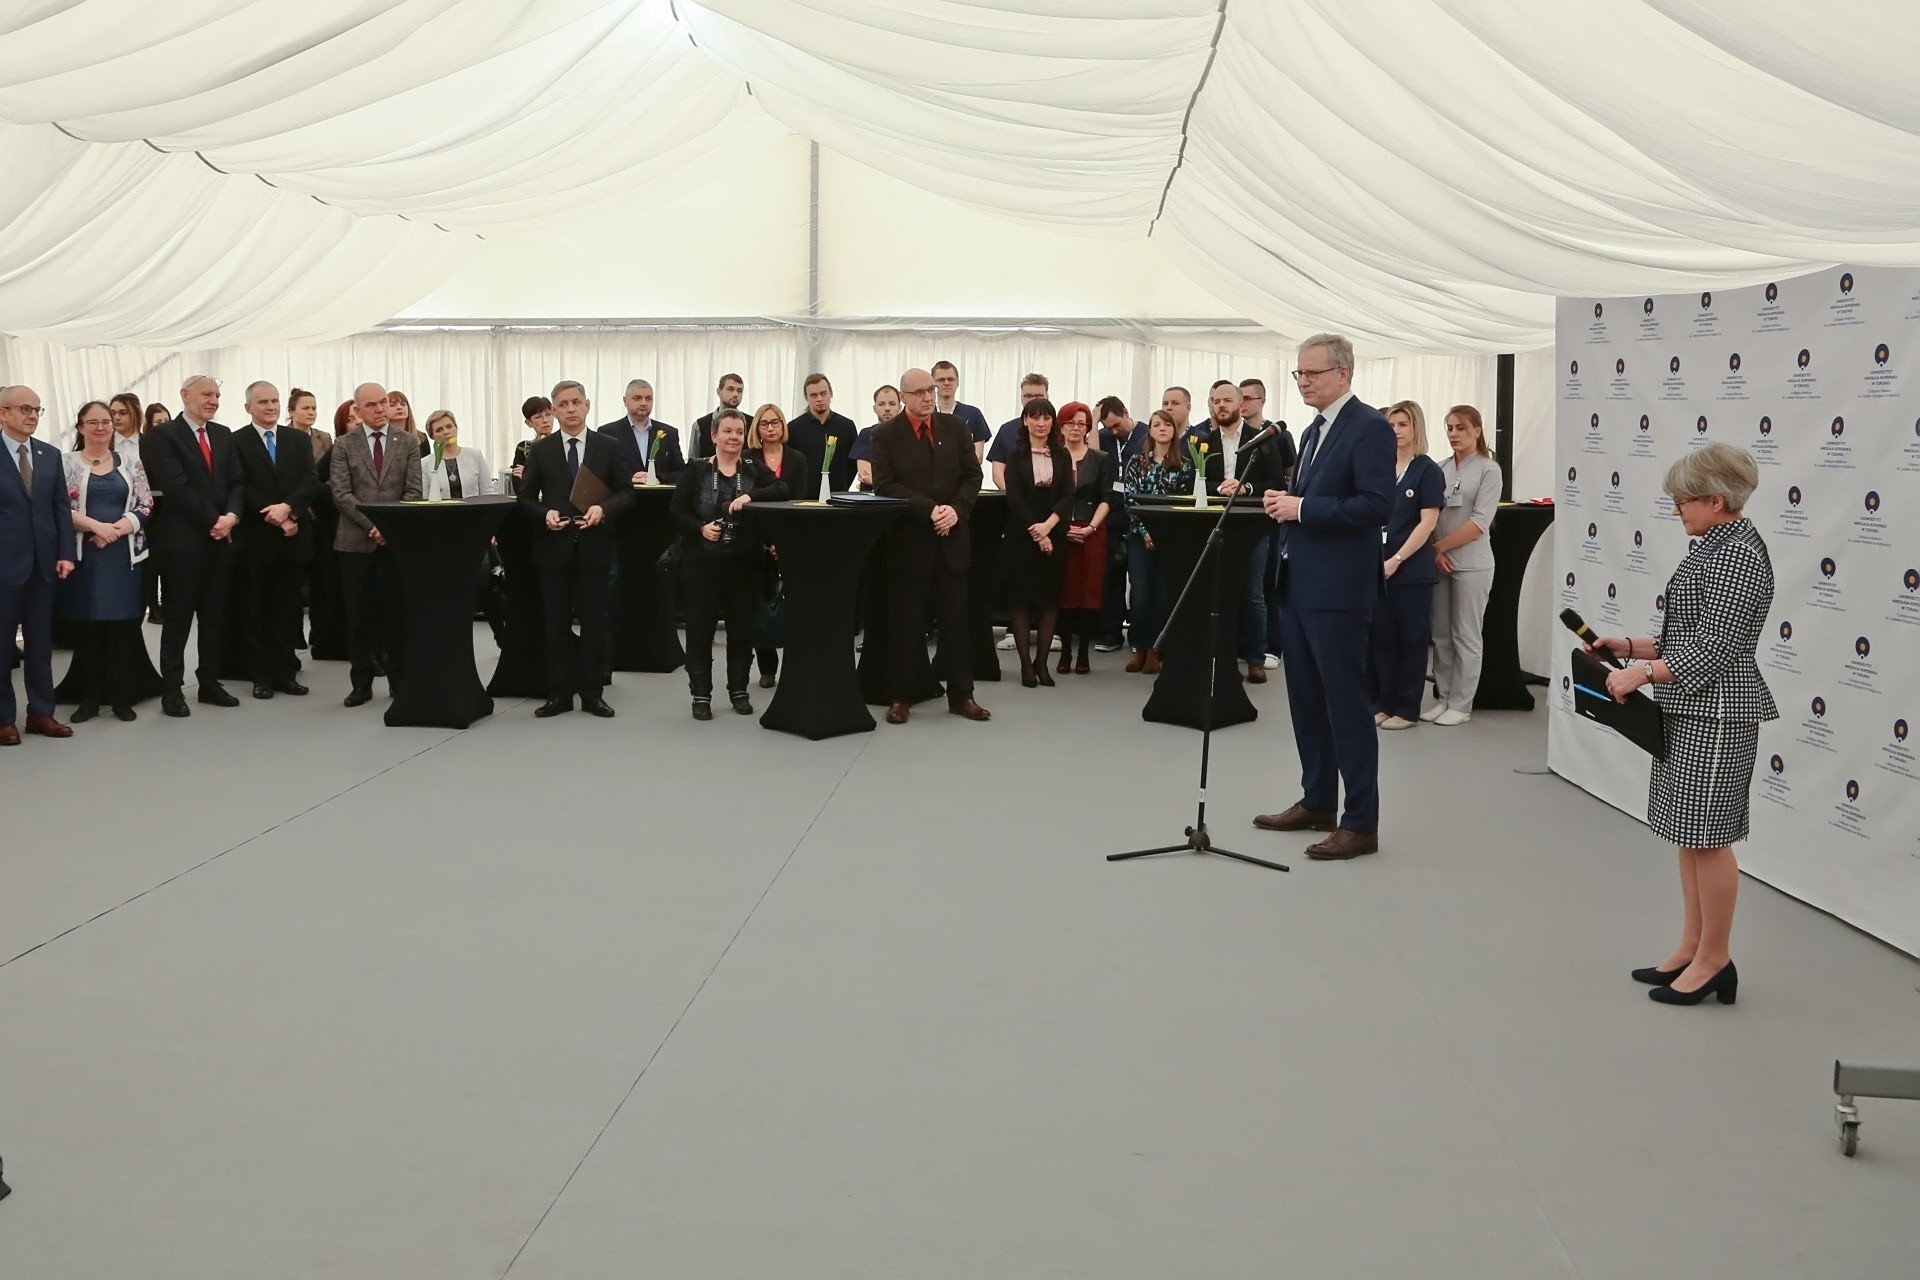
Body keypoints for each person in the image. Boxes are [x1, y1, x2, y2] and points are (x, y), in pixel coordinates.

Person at [1589, 443, 1776, 1007]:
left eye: (1683, 501)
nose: (1676, 510)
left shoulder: (1737, 555)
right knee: (1691, 835)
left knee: (1710, 840)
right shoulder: (1715, 546)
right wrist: (1627, 646)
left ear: (1716, 500)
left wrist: (1642, 672)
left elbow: (1715, 648)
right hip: (1690, 710)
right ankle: (1693, 946)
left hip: (1718, 714)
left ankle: (1716, 959)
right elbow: (1688, 635)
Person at [1255, 334, 1395, 860]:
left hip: (1339, 592)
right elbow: (1317, 498)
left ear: (1344, 373)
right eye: (1299, 373)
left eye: (1312, 373)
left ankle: (1361, 822)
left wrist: (1303, 509)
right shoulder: (1314, 429)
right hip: (1300, 584)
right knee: (1307, 702)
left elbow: (1376, 506)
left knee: (1345, 706)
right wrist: (1288, 502)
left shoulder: (1370, 427)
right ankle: (1317, 800)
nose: (1303, 382)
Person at [870, 367, 990, 724]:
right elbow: (884, 484)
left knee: (956, 623)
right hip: (910, 544)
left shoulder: (955, 427)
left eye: (930, 390)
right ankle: (901, 696)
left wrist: (956, 510)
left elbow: (973, 476)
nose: (927, 397)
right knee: (907, 623)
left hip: (952, 541)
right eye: (919, 392)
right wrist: (929, 509)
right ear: (903, 397)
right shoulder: (885, 434)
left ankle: (962, 695)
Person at [517, 379, 633, 718]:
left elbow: (627, 492)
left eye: (576, 402)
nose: (570, 409)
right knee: (555, 623)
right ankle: (559, 693)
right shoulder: (541, 450)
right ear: (553, 411)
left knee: (595, 623)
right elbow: (525, 498)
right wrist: (545, 515)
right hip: (554, 549)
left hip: (595, 547)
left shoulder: (608, 446)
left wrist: (603, 509)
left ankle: (593, 693)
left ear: (587, 405)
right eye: (563, 404)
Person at [671, 408, 787, 719]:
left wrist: (751, 497)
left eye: (738, 432)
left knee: (742, 630)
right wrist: (700, 528)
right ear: (714, 436)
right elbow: (676, 512)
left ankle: (739, 690)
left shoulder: (752, 468)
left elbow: (781, 489)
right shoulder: (696, 470)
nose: (733, 437)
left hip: (744, 563)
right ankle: (701, 694)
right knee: (700, 630)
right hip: (701, 563)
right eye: (727, 431)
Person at [141, 373, 243, 717]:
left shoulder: (223, 434)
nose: (213, 401)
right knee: (178, 619)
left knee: (215, 617)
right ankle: (172, 690)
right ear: (185, 395)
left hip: (221, 540)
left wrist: (232, 517)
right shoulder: (162, 436)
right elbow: (175, 486)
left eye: (217, 395)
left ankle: (210, 682)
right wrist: (214, 520)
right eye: (206, 394)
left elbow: (237, 482)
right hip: (182, 543)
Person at [331, 381, 422, 708]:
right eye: (371, 404)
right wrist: (373, 526)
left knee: (397, 615)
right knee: (359, 616)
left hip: (396, 543)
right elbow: (341, 493)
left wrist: (388, 528)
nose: (380, 408)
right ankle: (361, 684)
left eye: (383, 401)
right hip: (355, 542)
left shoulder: (408, 441)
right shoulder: (344, 444)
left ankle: (400, 681)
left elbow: (413, 491)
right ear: (358, 410)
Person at [1190, 379, 1287, 682]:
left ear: (1240, 405)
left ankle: (1256, 658)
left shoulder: (1262, 441)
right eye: (1216, 401)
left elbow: (1277, 483)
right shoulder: (1202, 442)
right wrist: (1218, 487)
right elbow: (1192, 482)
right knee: (1217, 593)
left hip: (1253, 527)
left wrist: (1246, 488)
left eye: (1227, 400)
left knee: (1252, 594)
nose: (1220, 406)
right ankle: (1219, 657)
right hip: (1215, 527)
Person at [65, 399, 154, 722]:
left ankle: (121, 700)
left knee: (122, 630)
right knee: (88, 630)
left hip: (124, 557)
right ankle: (89, 701)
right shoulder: (66, 463)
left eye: (106, 421)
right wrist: (96, 527)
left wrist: (117, 529)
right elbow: (58, 505)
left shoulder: (130, 461)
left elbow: (146, 503)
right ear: (80, 427)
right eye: (93, 422)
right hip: (86, 556)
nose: (101, 427)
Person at [1, 384, 78, 744]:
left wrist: (65, 553)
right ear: (4, 413)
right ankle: (4, 719)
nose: (32, 416)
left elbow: (61, 508)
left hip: (44, 565)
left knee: (41, 643)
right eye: (25, 409)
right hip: (4, 566)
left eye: (37, 410)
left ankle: (41, 713)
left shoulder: (49, 455)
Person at [231, 381, 315, 700]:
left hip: (293, 537)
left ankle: (286, 674)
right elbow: (239, 484)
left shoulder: (297, 439)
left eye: (275, 401)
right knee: (256, 610)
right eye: (263, 402)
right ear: (248, 407)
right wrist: (273, 513)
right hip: (257, 538)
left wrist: (290, 509)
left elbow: (309, 480)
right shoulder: (237, 441)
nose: (270, 407)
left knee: (288, 610)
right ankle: (261, 677)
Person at [1423, 404, 1503, 725]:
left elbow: (1479, 522)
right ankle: (1444, 697)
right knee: (1441, 634)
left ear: (1477, 431)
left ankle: (1461, 704)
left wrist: (1439, 547)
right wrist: (1436, 551)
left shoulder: (1488, 470)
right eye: (1450, 428)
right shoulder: (1439, 468)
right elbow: (1429, 514)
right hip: (1439, 561)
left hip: (1472, 564)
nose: (1454, 434)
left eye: (1461, 428)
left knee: (1466, 635)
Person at [1369, 401, 1443, 730]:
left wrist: (1397, 559)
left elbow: (1427, 523)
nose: (1396, 431)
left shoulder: (1427, 471)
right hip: (1378, 566)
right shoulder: (1381, 467)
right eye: (1391, 425)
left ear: (1416, 429)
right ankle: (1385, 703)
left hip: (1411, 571)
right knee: (1382, 639)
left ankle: (1407, 708)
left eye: (1403, 424)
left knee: (1411, 641)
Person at [998, 397, 1071, 687]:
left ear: (1053, 422)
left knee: (1049, 600)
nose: (1041, 423)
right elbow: (1014, 497)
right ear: (1025, 421)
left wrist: (1048, 527)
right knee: (1020, 601)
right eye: (1035, 417)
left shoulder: (1062, 454)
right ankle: (1025, 665)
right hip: (1021, 532)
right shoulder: (1015, 454)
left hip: (1054, 528)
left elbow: (1068, 495)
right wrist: (1037, 532)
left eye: (1046, 418)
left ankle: (1042, 663)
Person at [1120, 410, 1191, 674]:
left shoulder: (1184, 465)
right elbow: (1129, 500)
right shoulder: (1136, 462)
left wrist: (1163, 533)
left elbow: (1184, 502)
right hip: (1140, 537)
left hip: (1170, 539)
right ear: (1149, 430)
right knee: (1140, 595)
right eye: (1156, 425)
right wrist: (1145, 532)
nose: (1162, 428)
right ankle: (1138, 647)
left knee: (1163, 596)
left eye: (1167, 424)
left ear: (1174, 430)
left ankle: (1155, 650)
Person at [746, 403, 810, 687]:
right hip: (756, 539)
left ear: (783, 426)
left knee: (792, 606)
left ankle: (794, 666)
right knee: (760, 606)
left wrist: (784, 541)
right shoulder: (748, 459)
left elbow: (800, 501)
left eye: (775, 422)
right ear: (757, 428)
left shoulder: (797, 459)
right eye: (764, 423)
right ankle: (767, 668)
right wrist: (764, 542)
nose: (770, 428)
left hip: (790, 540)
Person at [1053, 401, 1114, 676]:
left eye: (1082, 423)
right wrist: (1060, 528)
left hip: (1092, 531)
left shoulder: (1100, 458)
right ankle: (1065, 651)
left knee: (1089, 594)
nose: (1076, 428)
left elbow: (1107, 498)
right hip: (1060, 531)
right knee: (1064, 593)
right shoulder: (1053, 457)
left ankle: (1083, 654)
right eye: (1070, 423)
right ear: (1061, 426)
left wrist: (1090, 527)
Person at [1093, 395, 1145, 652]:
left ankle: (1139, 635)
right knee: (1110, 577)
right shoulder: (1103, 437)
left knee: (1139, 579)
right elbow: (1091, 456)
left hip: (1138, 517)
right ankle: (1111, 633)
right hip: (1111, 517)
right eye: (1108, 427)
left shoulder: (1145, 434)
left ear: (1126, 412)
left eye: (1116, 425)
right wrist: (1094, 421)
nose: (1113, 431)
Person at [597, 378, 685, 486]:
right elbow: (602, 473)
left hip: (660, 495)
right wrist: (629, 479)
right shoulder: (608, 433)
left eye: (648, 399)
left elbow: (682, 473)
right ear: (625, 401)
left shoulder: (668, 433)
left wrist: (657, 478)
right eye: (637, 398)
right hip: (624, 494)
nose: (644, 403)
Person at [787, 373, 857, 498]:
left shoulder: (847, 426)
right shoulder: (793, 428)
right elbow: (790, 465)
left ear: (831, 393)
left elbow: (853, 463)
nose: (819, 399)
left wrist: (842, 487)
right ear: (806, 397)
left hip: (838, 498)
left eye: (823, 393)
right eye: (813, 395)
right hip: (804, 500)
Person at [985, 373, 1051, 490]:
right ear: (1021, 398)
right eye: (1028, 396)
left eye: (1038, 396)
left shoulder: (1058, 430)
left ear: (1047, 397)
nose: (1033, 400)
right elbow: (997, 474)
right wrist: (1013, 496)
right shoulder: (1007, 430)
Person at [421, 409, 496, 500]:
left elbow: (487, 492)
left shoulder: (475, 455)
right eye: (439, 430)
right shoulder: (425, 464)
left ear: (456, 428)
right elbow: (425, 499)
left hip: (474, 508)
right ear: (432, 436)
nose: (446, 432)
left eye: (449, 426)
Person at [932, 359, 991, 458]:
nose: (946, 383)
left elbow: (977, 457)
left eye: (950, 379)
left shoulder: (973, 414)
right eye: (941, 380)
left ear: (958, 383)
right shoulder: (925, 414)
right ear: (933, 384)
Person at [850, 384, 899, 490]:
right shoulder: (867, 434)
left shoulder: (908, 435)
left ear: (899, 408)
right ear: (874, 408)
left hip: (900, 498)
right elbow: (865, 475)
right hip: (871, 497)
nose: (887, 408)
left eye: (892, 404)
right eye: (881, 404)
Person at [692, 372, 746, 460]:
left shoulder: (752, 423)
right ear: (719, 392)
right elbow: (693, 461)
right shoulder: (700, 425)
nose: (735, 394)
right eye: (730, 389)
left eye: (739, 391)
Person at [510, 395, 554, 486]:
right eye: (538, 417)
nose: (545, 420)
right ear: (528, 423)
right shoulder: (523, 448)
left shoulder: (564, 444)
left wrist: (528, 474)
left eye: (548, 414)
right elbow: (518, 486)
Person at [287, 388, 330, 462]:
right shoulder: (279, 437)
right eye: (306, 408)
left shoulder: (325, 438)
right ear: (291, 412)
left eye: (314, 408)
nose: (311, 412)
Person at [108, 393, 145, 463]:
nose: (117, 418)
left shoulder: (149, 443)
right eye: (113, 413)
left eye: (123, 413)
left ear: (136, 414)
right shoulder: (104, 443)